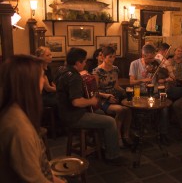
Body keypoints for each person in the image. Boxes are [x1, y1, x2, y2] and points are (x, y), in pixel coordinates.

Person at [54, 47, 126, 165]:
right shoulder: (74, 77)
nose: (86, 63)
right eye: (84, 61)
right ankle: (112, 156)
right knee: (110, 122)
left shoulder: (62, 70)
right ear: (78, 63)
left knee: (101, 114)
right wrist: (92, 101)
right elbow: (76, 102)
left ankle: (103, 146)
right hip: (74, 116)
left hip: (63, 113)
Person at [0, 55, 64, 183]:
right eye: (41, 76)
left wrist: (53, 177)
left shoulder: (16, 109)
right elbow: (34, 179)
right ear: (29, 81)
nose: (44, 80)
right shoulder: (19, 128)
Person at [129, 43, 170, 145]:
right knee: (138, 110)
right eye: (150, 58)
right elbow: (132, 82)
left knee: (164, 109)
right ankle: (139, 133)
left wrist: (161, 73)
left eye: (153, 57)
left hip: (155, 93)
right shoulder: (134, 64)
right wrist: (143, 80)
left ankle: (163, 134)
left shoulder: (157, 63)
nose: (152, 60)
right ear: (143, 55)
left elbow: (164, 75)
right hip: (141, 94)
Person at [92, 46, 132, 147]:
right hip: (102, 99)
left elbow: (116, 86)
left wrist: (126, 92)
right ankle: (117, 136)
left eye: (114, 57)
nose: (112, 59)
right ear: (103, 57)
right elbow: (94, 91)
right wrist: (106, 96)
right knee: (120, 110)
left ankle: (126, 135)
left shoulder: (115, 69)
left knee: (129, 109)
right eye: (110, 57)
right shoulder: (97, 71)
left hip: (115, 96)